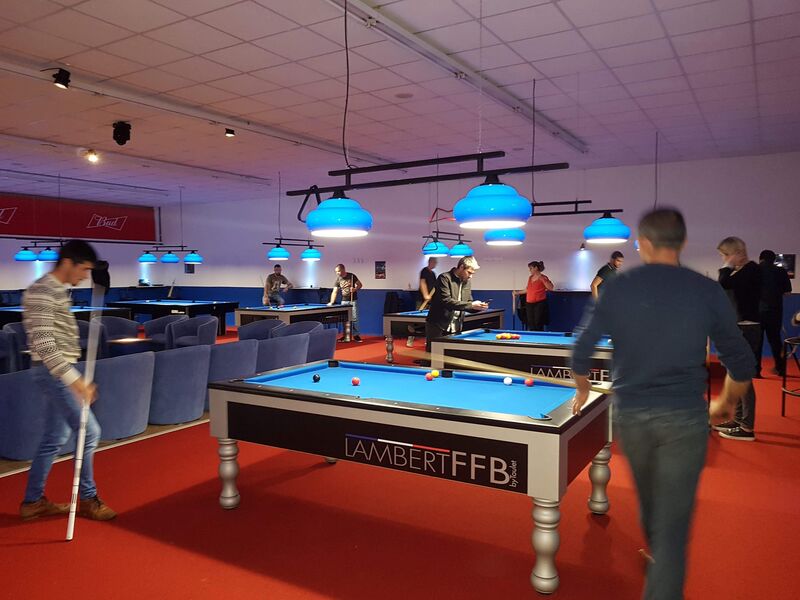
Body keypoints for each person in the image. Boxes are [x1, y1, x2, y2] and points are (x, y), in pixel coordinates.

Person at [571, 208, 754, 600]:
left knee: (651, 499)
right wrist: (725, 402)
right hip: (685, 419)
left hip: (632, 417)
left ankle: (660, 558)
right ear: (682, 242)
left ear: (643, 244)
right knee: (672, 525)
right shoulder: (706, 289)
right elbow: (741, 362)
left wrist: (583, 389)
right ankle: (663, 559)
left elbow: (581, 352)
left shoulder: (619, 286)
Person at [20, 240, 116, 522]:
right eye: (83, 269)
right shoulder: (42, 291)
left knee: (55, 437)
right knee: (90, 432)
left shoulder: (58, 290)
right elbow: (45, 345)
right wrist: (75, 381)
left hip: (59, 369)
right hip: (53, 371)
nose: (85, 276)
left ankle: (32, 502)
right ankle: (88, 498)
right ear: (67, 263)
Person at [715, 236, 761, 441]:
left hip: (747, 328)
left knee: (743, 378)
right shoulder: (742, 272)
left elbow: (723, 283)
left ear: (737, 253)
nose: (724, 259)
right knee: (737, 376)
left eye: (725, 255)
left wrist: (728, 265)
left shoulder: (752, 270)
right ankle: (739, 419)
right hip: (740, 327)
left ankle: (747, 427)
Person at [425, 256, 489, 352]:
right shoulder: (444, 278)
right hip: (438, 325)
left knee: (451, 355)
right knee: (433, 355)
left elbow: (467, 303)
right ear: (461, 267)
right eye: (469, 272)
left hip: (456, 325)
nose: (471, 276)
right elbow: (446, 301)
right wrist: (471, 305)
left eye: (472, 273)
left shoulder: (467, 282)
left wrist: (478, 307)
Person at [757, 249, 792, 376]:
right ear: (773, 259)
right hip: (774, 311)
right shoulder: (781, 271)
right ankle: (780, 368)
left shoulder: (754, 270)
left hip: (757, 312)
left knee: (757, 342)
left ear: (760, 259)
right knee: (775, 341)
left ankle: (756, 371)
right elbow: (787, 292)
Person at [512, 261, 554, 331]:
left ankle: (539, 336)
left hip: (539, 303)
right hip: (529, 303)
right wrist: (517, 292)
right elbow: (527, 290)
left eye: (531, 268)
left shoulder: (543, 277)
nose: (529, 270)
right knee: (530, 322)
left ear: (536, 268)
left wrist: (543, 279)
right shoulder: (530, 277)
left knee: (538, 322)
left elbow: (551, 288)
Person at [329, 264, 362, 342]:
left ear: (343, 270)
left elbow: (360, 285)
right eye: (336, 272)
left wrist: (355, 289)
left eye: (338, 271)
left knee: (354, 318)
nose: (337, 273)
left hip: (352, 300)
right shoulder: (338, 279)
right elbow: (335, 291)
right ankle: (345, 336)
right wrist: (331, 302)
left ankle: (356, 335)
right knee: (344, 319)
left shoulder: (352, 276)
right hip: (343, 301)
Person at [408, 257, 437, 347]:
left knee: (429, 320)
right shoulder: (424, 271)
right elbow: (422, 283)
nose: (435, 264)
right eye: (434, 262)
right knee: (416, 320)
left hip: (430, 301)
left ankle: (428, 340)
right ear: (430, 262)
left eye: (436, 263)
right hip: (421, 300)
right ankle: (410, 339)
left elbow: (434, 287)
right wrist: (425, 295)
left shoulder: (433, 274)